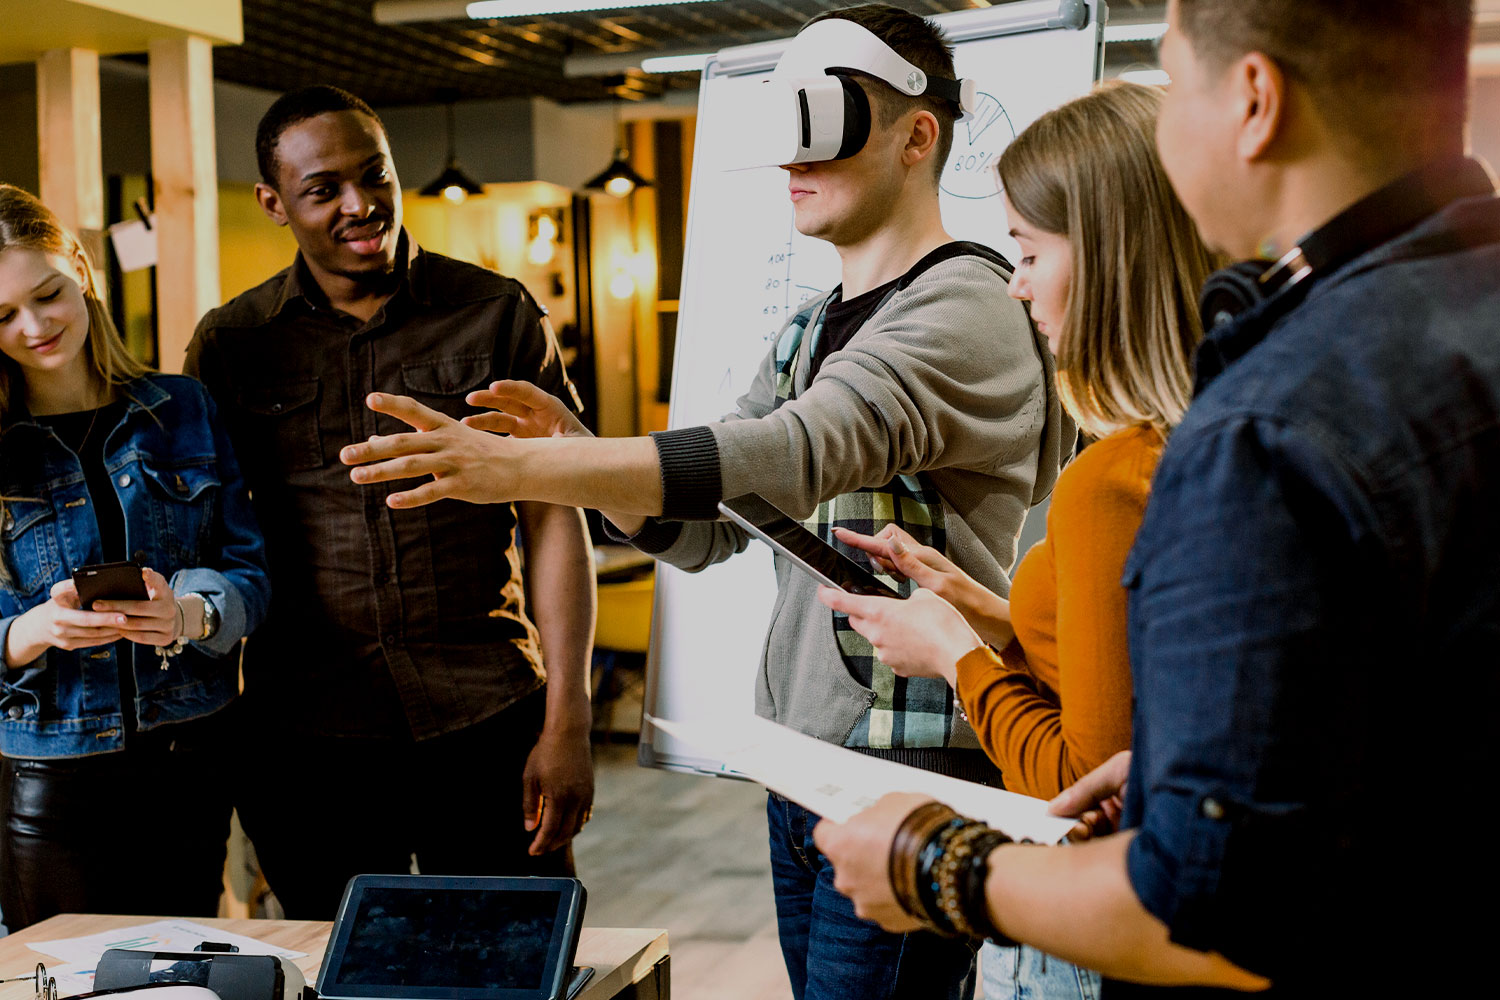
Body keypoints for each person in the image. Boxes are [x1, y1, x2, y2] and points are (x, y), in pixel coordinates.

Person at [340, 6, 1070, 996]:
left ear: (917, 135)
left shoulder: (967, 306)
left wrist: (537, 475)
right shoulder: (812, 326)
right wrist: (581, 454)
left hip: (912, 771)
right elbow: (707, 528)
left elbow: (794, 451)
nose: (791, 163)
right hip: (802, 762)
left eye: (827, 125)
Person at [813, 0, 1497, 995]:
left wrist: (931, 865)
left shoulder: (1265, 427)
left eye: (1178, 87)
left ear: (1255, 102)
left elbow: (1206, 909)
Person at [818, 80, 1218, 1000]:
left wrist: (956, 657)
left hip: (1084, 936)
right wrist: (989, 614)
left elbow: (1081, 786)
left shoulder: (1109, 482)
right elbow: (1142, 673)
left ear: (1112, 259)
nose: (1016, 282)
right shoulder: (1210, 445)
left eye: (1029, 251)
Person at [184, 86, 596, 920]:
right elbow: (208, 541)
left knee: (514, 966)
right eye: (322, 189)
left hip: (485, 717)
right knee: (340, 974)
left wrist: (570, 721)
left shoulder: (494, 313)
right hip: (306, 741)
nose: (359, 204)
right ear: (274, 203)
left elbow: (556, 513)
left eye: (374, 176)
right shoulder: (233, 344)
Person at [0, 185, 269, 930]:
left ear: (81, 269)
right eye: (2, 316)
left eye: (47, 294)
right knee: (64, 980)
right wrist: (34, 631)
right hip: (50, 774)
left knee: (181, 974)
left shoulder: (182, 408)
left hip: (190, 759)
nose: (34, 326)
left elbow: (252, 575)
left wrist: (188, 613)